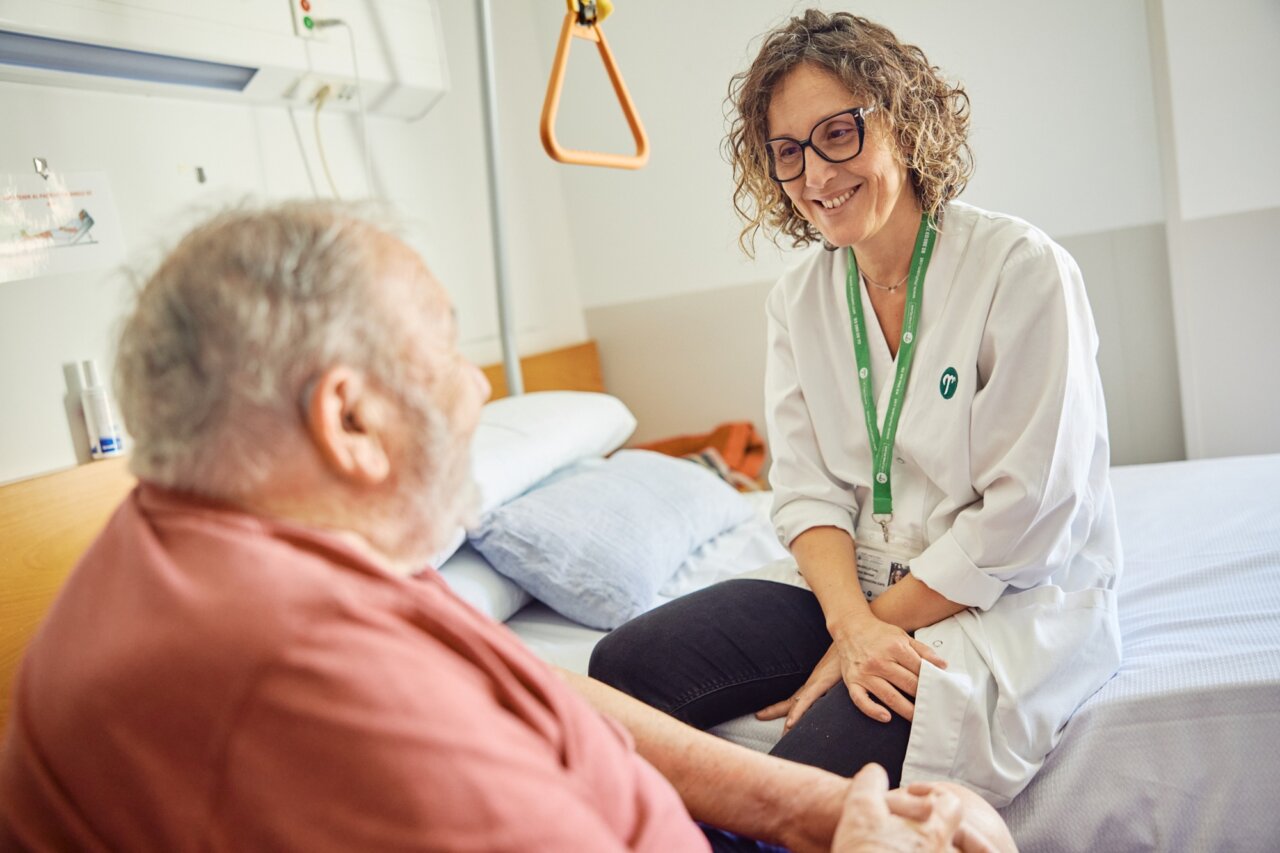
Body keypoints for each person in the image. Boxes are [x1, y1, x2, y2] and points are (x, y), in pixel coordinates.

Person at [0, 203, 1013, 851]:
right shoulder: (292, 678)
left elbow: (543, 692)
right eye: (447, 349)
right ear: (349, 419)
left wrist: (818, 809)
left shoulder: (227, 543)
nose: (474, 392)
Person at [589, 9, 1122, 808]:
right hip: (857, 585)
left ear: (902, 123)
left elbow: (1026, 519)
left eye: (839, 133)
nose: (816, 174)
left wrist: (872, 633)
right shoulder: (798, 299)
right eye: (789, 152)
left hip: (998, 600)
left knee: (806, 776)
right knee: (622, 670)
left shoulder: (1020, 270)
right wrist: (852, 626)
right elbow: (803, 490)